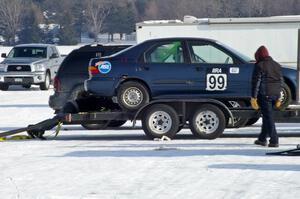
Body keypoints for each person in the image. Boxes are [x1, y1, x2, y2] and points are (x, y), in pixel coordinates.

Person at [250, 45, 283, 148]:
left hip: (265, 95)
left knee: (269, 118)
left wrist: (254, 97)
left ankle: (274, 140)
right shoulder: (277, 65)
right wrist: (279, 97)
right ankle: (262, 139)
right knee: (267, 116)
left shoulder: (260, 65)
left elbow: (256, 83)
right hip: (275, 95)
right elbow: (281, 82)